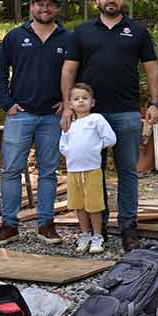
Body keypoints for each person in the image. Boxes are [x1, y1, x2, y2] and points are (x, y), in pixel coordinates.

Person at [61, 0, 158, 252]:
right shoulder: (81, 32)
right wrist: (68, 105)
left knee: (128, 172)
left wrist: (154, 103)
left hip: (127, 113)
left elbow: (151, 69)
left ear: (123, 0)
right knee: (95, 173)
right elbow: (68, 70)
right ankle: (98, 228)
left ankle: (128, 227)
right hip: (89, 117)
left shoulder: (137, 31)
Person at [0, 0, 71, 247]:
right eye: (40, 4)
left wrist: (67, 102)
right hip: (20, 114)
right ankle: (9, 225)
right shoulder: (15, 36)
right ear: (32, 7)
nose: (44, 8)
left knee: (49, 172)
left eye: (50, 4)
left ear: (57, 8)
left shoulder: (68, 38)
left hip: (52, 116)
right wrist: (6, 103)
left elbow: (76, 72)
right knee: (12, 170)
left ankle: (46, 225)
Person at [60, 83, 117, 254]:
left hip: (92, 169)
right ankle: (85, 234)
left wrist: (94, 148)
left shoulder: (97, 119)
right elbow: (63, 145)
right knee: (79, 205)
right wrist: (70, 152)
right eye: (76, 99)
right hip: (73, 170)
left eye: (85, 98)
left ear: (92, 102)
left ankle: (97, 235)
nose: (81, 102)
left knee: (94, 204)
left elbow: (110, 138)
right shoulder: (70, 124)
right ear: (70, 104)